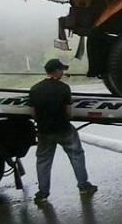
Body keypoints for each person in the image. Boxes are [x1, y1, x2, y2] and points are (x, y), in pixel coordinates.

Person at [28, 59, 97, 205]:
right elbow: (69, 113)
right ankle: (84, 186)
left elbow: (33, 113)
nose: (63, 72)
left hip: (44, 131)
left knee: (43, 161)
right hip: (64, 129)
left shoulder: (35, 89)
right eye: (62, 70)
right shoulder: (64, 88)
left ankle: (43, 193)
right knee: (76, 155)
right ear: (56, 71)